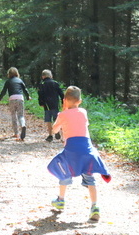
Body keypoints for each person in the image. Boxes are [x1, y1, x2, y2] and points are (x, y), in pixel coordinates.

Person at [47, 86, 111, 222]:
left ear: (64, 100)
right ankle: (95, 207)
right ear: (80, 101)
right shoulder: (83, 112)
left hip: (71, 150)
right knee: (90, 178)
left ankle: (60, 200)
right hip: (87, 149)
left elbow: (54, 130)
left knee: (63, 170)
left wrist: (60, 120)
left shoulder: (62, 115)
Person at [0, 67, 31, 140]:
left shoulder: (8, 81)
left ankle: (16, 133)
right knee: (21, 115)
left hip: (12, 99)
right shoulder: (20, 80)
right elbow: (25, 89)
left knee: (13, 116)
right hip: (20, 98)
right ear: (17, 73)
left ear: (9, 74)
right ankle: (23, 125)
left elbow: (3, 91)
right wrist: (28, 97)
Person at [37, 69, 64, 142]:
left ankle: (50, 135)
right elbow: (61, 93)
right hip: (55, 104)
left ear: (43, 76)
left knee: (48, 120)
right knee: (56, 119)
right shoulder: (55, 83)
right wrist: (63, 101)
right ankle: (57, 131)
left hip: (47, 105)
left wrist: (41, 103)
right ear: (50, 76)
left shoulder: (42, 84)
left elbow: (40, 95)